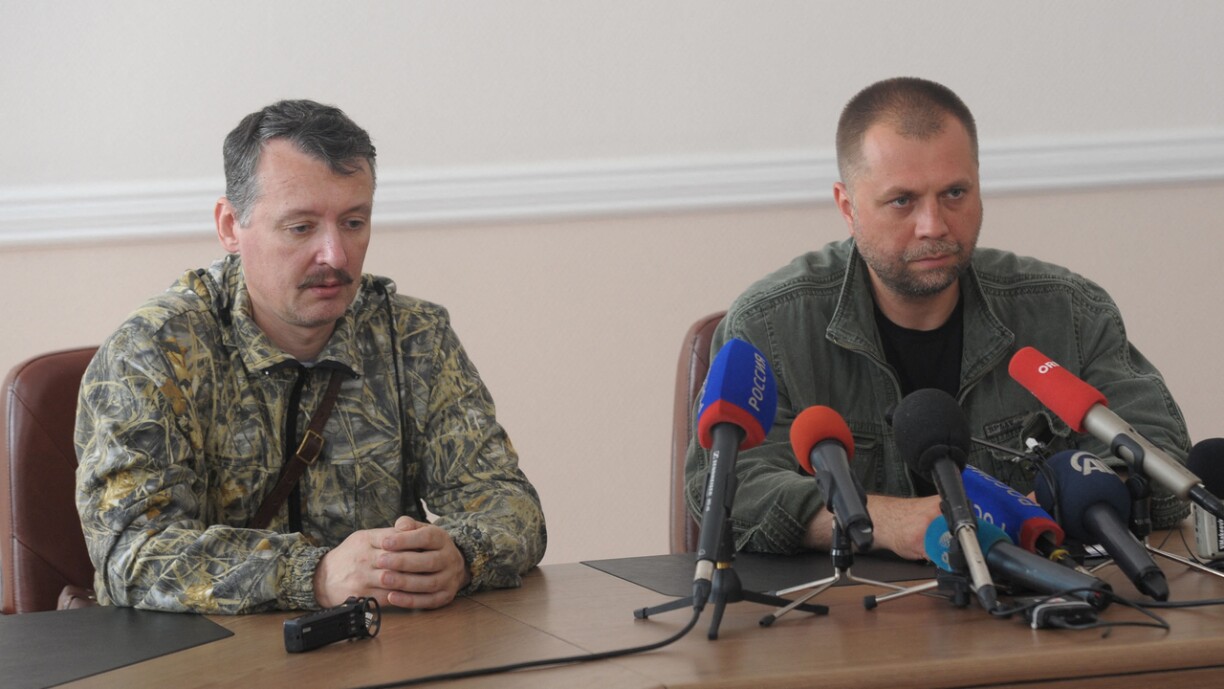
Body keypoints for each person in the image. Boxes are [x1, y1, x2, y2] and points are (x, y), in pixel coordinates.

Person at [684, 77, 1190, 561]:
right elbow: (727, 492)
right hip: (851, 610)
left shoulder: (1069, 313)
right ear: (848, 207)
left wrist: (1074, 500)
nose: (934, 226)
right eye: (902, 200)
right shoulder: (771, 326)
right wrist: (888, 522)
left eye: (954, 194)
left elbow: (1162, 461)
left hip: (1042, 595)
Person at [75, 99, 546, 614]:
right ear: (231, 226)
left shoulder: (414, 338)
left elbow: (510, 504)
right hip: (210, 653)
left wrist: (460, 555)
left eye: (353, 222)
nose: (336, 256)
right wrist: (315, 575)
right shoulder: (155, 352)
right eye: (301, 227)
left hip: (383, 646)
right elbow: (131, 554)